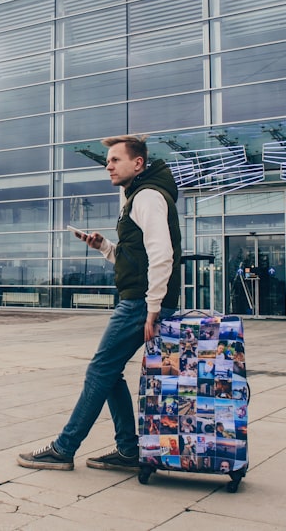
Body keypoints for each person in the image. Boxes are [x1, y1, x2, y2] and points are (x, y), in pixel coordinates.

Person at [17, 134, 181, 471]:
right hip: (140, 300)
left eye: (115, 160)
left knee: (99, 370)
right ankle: (127, 450)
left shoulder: (147, 196)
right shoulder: (137, 195)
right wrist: (105, 246)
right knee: (109, 372)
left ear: (138, 163)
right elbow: (136, 258)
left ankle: (64, 448)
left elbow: (163, 255)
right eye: (107, 160)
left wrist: (153, 308)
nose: (108, 165)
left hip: (139, 303)